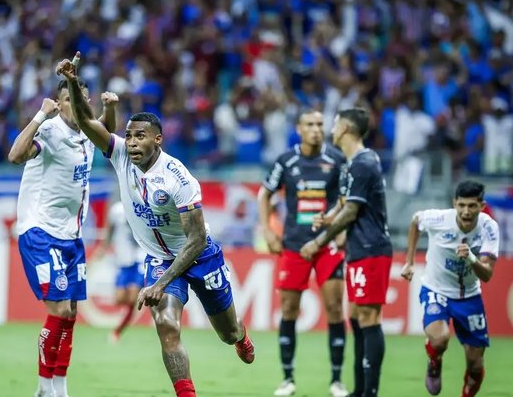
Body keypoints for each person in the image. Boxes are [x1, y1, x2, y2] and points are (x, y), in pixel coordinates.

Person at [57, 52, 255, 397]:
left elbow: (194, 241)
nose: (132, 143)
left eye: (140, 137)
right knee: (166, 325)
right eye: (129, 136)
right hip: (159, 258)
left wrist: (160, 283)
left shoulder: (179, 178)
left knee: (227, 332)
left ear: (157, 140)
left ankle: (240, 336)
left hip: (200, 256)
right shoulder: (120, 154)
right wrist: (73, 82)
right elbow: (89, 124)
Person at [7, 77, 117, 397]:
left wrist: (110, 108)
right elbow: (15, 155)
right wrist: (39, 115)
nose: (75, 107)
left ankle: (59, 388)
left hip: (72, 235)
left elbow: (107, 135)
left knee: (70, 314)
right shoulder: (51, 130)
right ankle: (43, 388)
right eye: (68, 100)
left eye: (81, 101)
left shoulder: (86, 130)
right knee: (57, 311)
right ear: (59, 103)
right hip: (40, 231)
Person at [258, 109, 348, 397]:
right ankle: (288, 379)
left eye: (320, 125)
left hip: (327, 244)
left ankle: (336, 380)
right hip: (294, 245)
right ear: (299, 129)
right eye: (310, 125)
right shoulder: (287, 161)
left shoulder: (336, 159)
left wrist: (342, 227)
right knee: (288, 310)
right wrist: (268, 232)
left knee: (334, 308)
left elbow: (348, 199)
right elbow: (264, 194)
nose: (316, 129)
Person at [303, 107, 393, 397]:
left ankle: (371, 391)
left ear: (345, 129)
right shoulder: (354, 164)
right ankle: (360, 388)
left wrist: (319, 242)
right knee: (356, 316)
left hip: (371, 248)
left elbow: (352, 210)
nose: (330, 130)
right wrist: (329, 216)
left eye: (333, 124)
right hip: (359, 248)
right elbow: (345, 202)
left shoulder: (363, 163)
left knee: (369, 317)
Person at [401, 180, 499, 397]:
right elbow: (415, 221)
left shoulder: (489, 228)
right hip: (437, 290)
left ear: (481, 206)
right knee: (439, 339)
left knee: (475, 364)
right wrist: (409, 261)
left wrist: (471, 257)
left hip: (470, 296)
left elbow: (488, 274)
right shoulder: (438, 219)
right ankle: (434, 362)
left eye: (472, 206)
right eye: (461, 205)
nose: (466, 211)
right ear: (454, 203)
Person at [94, 199, 145, 343]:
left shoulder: (142, 206)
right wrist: (103, 248)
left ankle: (118, 331)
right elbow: (109, 231)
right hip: (123, 259)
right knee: (120, 298)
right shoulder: (116, 210)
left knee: (133, 297)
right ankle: (122, 324)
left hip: (139, 258)